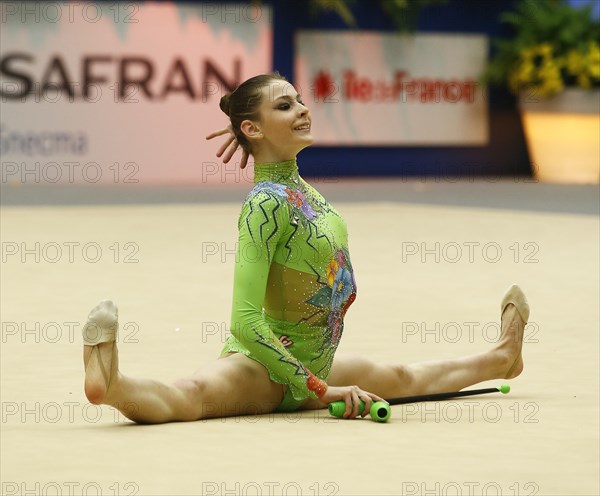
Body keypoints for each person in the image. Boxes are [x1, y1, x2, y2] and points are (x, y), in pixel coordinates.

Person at [82, 73, 530, 424]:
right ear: (252, 127)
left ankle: (503, 358)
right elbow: (244, 320)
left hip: (317, 360)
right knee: (191, 396)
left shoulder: (306, 193)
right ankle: (114, 384)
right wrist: (319, 388)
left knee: (407, 377)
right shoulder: (264, 206)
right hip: (264, 367)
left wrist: (320, 379)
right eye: (285, 105)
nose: (302, 109)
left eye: (298, 101)